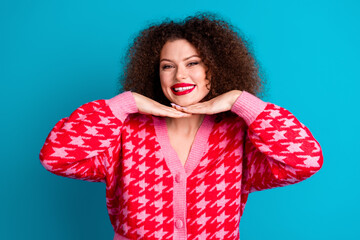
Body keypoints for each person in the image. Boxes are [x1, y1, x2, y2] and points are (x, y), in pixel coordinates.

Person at [40, 13, 323, 240]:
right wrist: (123, 104)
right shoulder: (125, 132)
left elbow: (305, 161)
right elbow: (56, 157)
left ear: (216, 67)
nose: (180, 75)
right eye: (167, 66)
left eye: (193, 63)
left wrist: (240, 101)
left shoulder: (238, 137)